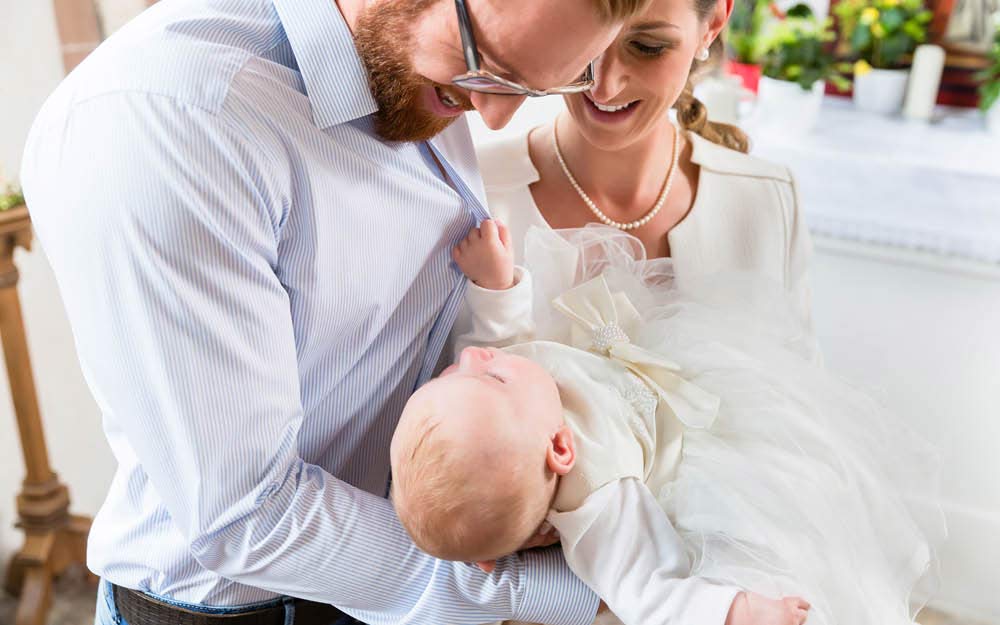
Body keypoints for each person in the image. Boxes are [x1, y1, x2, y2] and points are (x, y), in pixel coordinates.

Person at [19, 0, 649, 624]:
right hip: (246, 609)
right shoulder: (170, 122)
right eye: (487, 64)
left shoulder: (408, 67)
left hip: (381, 583)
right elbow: (249, 518)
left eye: (532, 87)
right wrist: (574, 595)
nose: (492, 114)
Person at [392, 219, 943, 625]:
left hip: (665, 378)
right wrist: (737, 611)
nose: (472, 359)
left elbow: (496, 339)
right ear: (561, 448)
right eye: (488, 377)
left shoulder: (509, 413)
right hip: (697, 454)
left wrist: (495, 285)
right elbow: (647, 591)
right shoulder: (600, 502)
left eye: (448, 377)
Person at [474, 0, 813, 328]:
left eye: (647, 46)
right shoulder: (476, 194)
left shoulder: (768, 201)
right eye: (585, 37)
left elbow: (794, 379)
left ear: (711, 25)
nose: (604, 86)